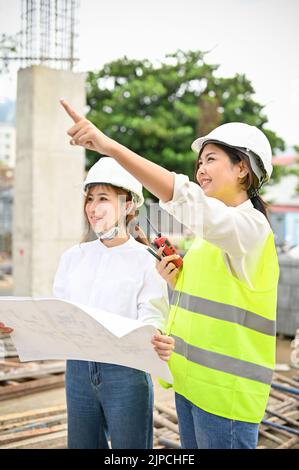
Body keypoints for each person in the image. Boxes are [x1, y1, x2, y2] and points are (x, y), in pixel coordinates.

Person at [59, 99, 279, 449]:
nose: (200, 169)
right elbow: (206, 304)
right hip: (192, 386)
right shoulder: (209, 241)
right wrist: (177, 281)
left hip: (227, 397)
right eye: (199, 162)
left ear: (242, 168)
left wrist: (110, 147)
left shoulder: (250, 228)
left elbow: (184, 198)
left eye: (211, 159)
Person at [1, 157, 170, 450]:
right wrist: (16, 326)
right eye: (90, 198)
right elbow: (56, 317)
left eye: (103, 198)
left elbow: (152, 316)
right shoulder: (73, 257)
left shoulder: (145, 260)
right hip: (78, 372)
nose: (92, 207)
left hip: (126, 372)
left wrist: (154, 336)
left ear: (128, 205)